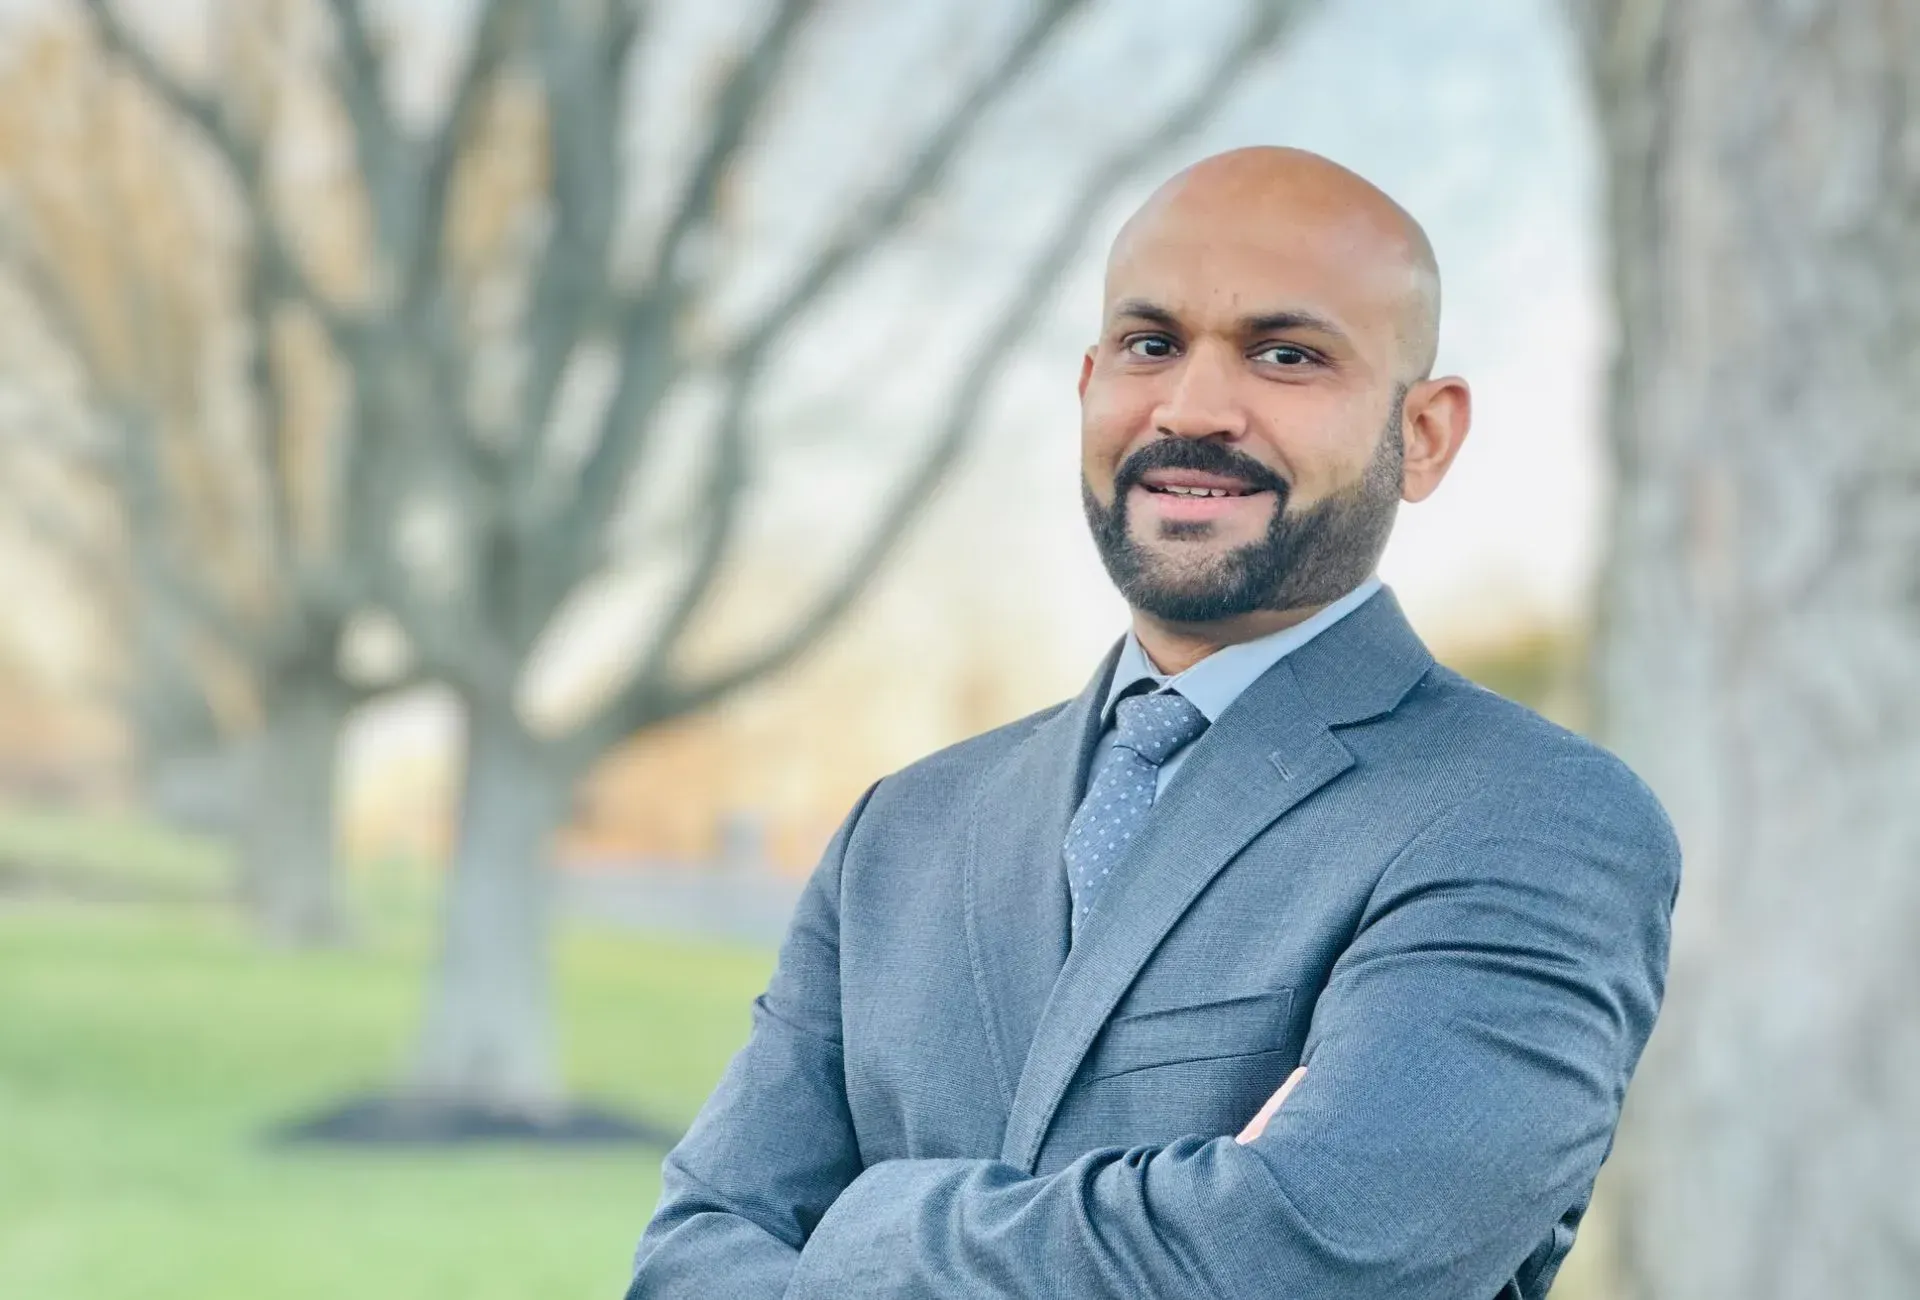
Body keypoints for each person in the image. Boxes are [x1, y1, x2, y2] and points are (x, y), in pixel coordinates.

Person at [625, 146, 1680, 1299]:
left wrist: (866, 1229)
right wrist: (1194, 1206)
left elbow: (1324, 1250)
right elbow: (694, 1251)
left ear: (1421, 432)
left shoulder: (1526, 816)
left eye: (1287, 355)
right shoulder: (907, 826)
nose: (1192, 408)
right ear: (1088, 385)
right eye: (1151, 346)